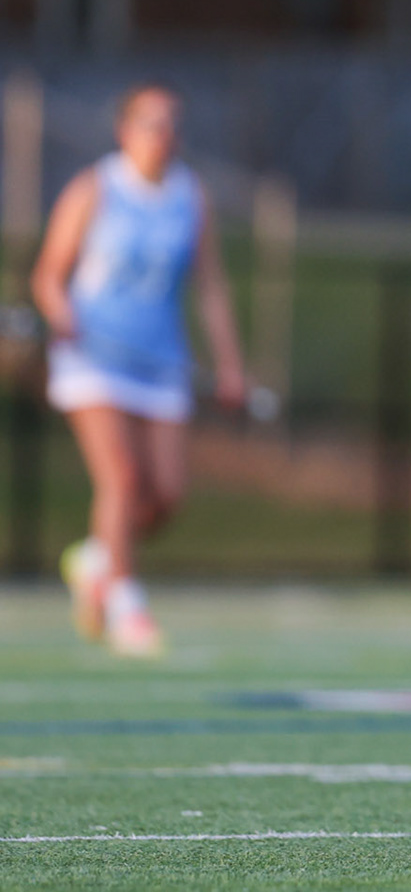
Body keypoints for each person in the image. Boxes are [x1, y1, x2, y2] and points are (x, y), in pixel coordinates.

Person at [31, 85, 246, 657]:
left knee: (166, 495)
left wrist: (229, 364)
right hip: (93, 360)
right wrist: (62, 314)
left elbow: (211, 288)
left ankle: (97, 559)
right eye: (151, 123)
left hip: (161, 360)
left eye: (172, 123)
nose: (164, 134)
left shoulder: (189, 196)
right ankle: (127, 605)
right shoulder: (94, 189)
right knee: (122, 480)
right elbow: (49, 275)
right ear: (125, 131)